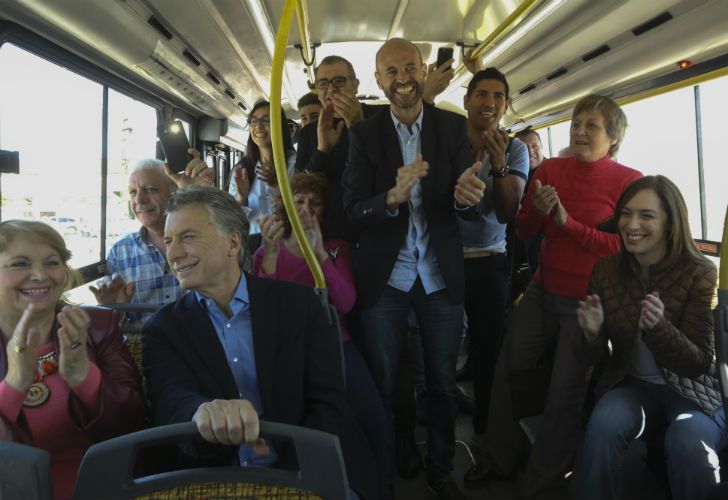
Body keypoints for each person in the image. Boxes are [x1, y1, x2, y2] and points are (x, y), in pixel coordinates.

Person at [142, 186, 377, 499]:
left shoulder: (299, 306)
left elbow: (328, 402)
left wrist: (291, 480)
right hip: (212, 473)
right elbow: (170, 398)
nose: (173, 254)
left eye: (188, 237)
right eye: (169, 241)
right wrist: (201, 413)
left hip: (303, 466)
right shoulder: (164, 328)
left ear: (233, 242)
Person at [467, 94, 642, 498]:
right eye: (575, 123)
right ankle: (498, 458)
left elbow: (623, 247)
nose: (579, 131)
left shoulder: (628, 181)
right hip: (543, 292)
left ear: (612, 137)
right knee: (506, 371)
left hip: (587, 306)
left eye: (591, 126)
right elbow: (525, 230)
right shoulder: (550, 169)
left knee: (565, 394)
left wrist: (566, 221)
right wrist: (543, 215)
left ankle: (540, 485)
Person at [343, 37, 486, 500]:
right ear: (379, 81)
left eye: (410, 68)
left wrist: (468, 201)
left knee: (443, 385)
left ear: (424, 71)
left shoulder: (453, 128)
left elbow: (466, 203)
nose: (402, 79)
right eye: (392, 71)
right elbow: (349, 211)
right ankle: (393, 458)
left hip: (439, 275)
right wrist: (389, 198)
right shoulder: (364, 136)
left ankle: (441, 467)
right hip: (386, 276)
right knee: (386, 384)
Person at [571, 175, 724, 500]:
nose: (631, 224)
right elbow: (591, 358)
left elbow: (698, 363)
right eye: (625, 213)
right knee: (603, 426)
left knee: (687, 440)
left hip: (692, 392)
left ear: (671, 223)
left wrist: (659, 328)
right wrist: (590, 333)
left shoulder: (700, 272)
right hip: (632, 385)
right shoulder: (606, 271)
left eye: (646, 216)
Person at [254, 171, 393, 496]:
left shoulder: (335, 249)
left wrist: (319, 257)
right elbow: (263, 310)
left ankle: (381, 480)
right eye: (298, 201)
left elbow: (346, 302)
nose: (305, 209)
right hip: (288, 350)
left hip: (334, 344)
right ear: (285, 207)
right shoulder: (268, 251)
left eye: (314, 204)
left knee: (372, 411)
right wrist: (271, 256)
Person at [0, 220, 145, 500]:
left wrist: (83, 375)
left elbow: (133, 421)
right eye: (20, 264)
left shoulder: (98, 326)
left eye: (52, 262)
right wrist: (15, 382)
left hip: (103, 488)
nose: (40, 275)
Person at [459, 68, 528, 473]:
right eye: (481, 94)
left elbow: (507, 211)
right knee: (437, 350)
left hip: (489, 261)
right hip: (443, 260)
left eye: (498, 96)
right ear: (467, 100)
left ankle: (484, 429)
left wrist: (499, 165)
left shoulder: (515, 149)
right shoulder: (448, 139)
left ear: (505, 105)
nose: (489, 102)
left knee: (488, 351)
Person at [89, 154, 213, 321]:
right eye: (133, 193)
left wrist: (202, 196)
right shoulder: (120, 253)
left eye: (150, 190)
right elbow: (114, 327)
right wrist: (114, 310)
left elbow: (240, 265)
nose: (139, 200)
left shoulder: (207, 238)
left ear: (173, 193)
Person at [229, 99, 296, 236]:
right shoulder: (242, 170)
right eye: (253, 121)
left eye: (266, 121)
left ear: (280, 125)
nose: (258, 126)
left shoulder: (295, 163)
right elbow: (231, 222)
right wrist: (241, 198)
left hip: (287, 241)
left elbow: (301, 209)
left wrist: (276, 188)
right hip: (253, 244)